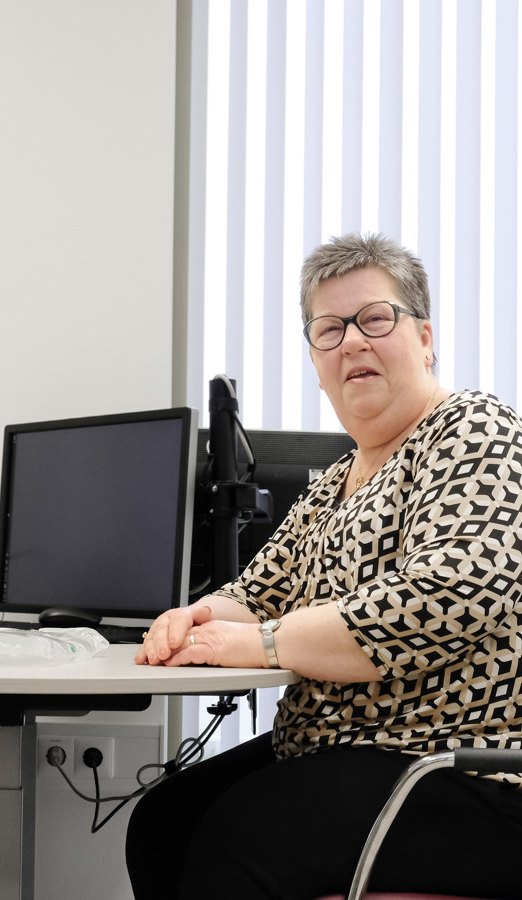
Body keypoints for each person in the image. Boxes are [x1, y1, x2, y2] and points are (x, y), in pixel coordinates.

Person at [127, 233, 522, 899]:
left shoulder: (476, 431)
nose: (353, 342)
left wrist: (262, 642)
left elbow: (446, 596)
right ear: (315, 361)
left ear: (424, 337)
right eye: (330, 329)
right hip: (346, 752)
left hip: (461, 768)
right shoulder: (336, 480)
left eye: (375, 319)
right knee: (162, 824)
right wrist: (192, 619)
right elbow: (256, 594)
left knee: (237, 843)